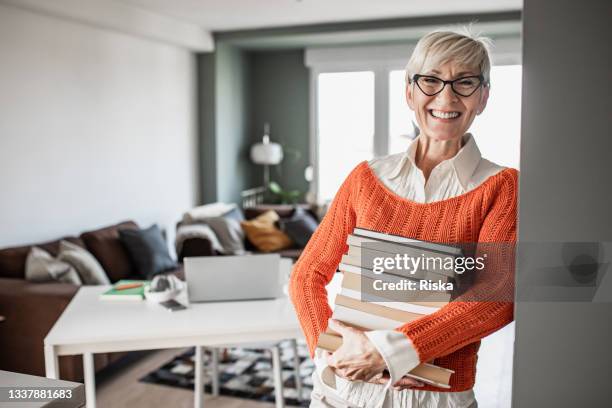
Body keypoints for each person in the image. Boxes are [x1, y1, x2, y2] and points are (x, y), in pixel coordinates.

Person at [290, 28, 518, 408]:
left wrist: (388, 352)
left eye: (465, 82)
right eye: (431, 80)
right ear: (409, 92)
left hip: (435, 399)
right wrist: (330, 349)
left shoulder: (502, 186)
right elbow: (307, 274)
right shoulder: (365, 178)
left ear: (483, 97)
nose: (446, 97)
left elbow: (497, 298)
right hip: (338, 393)